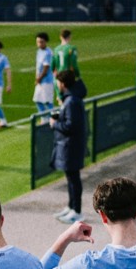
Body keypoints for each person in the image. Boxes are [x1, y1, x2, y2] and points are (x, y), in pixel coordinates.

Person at [51, 70, 87, 223]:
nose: (57, 85)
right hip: (70, 145)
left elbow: (71, 125)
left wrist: (55, 123)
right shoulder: (71, 100)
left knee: (73, 178)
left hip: (71, 145)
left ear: (63, 84)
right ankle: (71, 206)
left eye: (58, 83)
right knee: (71, 177)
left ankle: (76, 210)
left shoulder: (71, 101)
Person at [51, 29, 87, 102]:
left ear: (60, 37)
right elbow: (73, 63)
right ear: (70, 37)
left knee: (61, 99)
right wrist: (78, 75)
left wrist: (55, 75)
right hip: (68, 77)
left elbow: (52, 64)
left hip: (59, 78)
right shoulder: (71, 48)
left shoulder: (56, 49)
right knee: (69, 97)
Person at [33, 32, 54, 118]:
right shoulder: (39, 51)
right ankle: (45, 119)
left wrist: (39, 78)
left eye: (41, 42)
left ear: (46, 42)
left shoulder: (48, 53)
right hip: (41, 80)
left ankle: (55, 119)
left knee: (48, 102)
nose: (39, 44)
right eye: (38, 42)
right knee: (37, 100)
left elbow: (46, 67)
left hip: (47, 81)